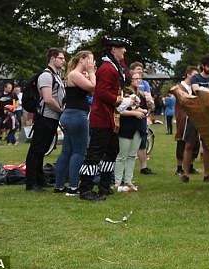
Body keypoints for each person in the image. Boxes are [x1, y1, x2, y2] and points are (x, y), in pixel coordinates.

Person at [78, 36, 130, 201]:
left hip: (109, 118)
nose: (124, 50)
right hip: (102, 117)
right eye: (122, 47)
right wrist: (122, 100)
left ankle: (104, 185)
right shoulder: (108, 68)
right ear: (113, 49)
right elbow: (101, 93)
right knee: (95, 153)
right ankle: (85, 189)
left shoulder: (113, 66)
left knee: (112, 151)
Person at [53, 50, 96, 195]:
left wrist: (90, 73)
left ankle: (59, 185)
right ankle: (73, 186)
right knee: (79, 151)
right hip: (76, 115)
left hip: (71, 115)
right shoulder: (75, 74)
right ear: (82, 59)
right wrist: (91, 72)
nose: (92, 63)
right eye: (90, 60)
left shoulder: (74, 75)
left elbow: (90, 90)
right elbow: (92, 87)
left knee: (67, 151)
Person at [25, 48, 67, 192]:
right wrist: (60, 110)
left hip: (52, 117)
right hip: (45, 117)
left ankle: (39, 179)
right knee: (36, 150)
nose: (63, 61)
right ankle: (31, 182)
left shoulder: (56, 76)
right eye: (61, 58)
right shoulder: (46, 76)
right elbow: (48, 99)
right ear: (52, 59)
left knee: (41, 150)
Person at [181, 54, 209, 183]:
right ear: (203, 66)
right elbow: (197, 90)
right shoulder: (196, 78)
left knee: (207, 146)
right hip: (195, 115)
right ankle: (185, 174)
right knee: (189, 144)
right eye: (208, 66)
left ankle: (207, 174)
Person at [116, 74, 148, 192]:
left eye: (140, 78)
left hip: (138, 127)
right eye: (136, 78)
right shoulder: (124, 93)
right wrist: (135, 112)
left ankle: (128, 181)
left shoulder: (141, 94)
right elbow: (119, 110)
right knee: (122, 155)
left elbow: (145, 109)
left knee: (132, 155)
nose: (139, 81)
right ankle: (117, 181)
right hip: (126, 126)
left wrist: (143, 109)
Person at [128, 61, 155, 175]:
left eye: (141, 69)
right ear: (132, 71)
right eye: (138, 69)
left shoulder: (145, 83)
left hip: (142, 116)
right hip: (130, 115)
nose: (140, 71)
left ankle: (144, 167)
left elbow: (149, 98)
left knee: (143, 141)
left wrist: (150, 103)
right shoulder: (128, 85)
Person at [175, 66, 198, 176]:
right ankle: (179, 168)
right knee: (182, 141)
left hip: (194, 117)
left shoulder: (194, 87)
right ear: (188, 74)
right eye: (194, 74)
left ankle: (190, 166)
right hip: (183, 117)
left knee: (194, 141)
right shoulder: (180, 87)